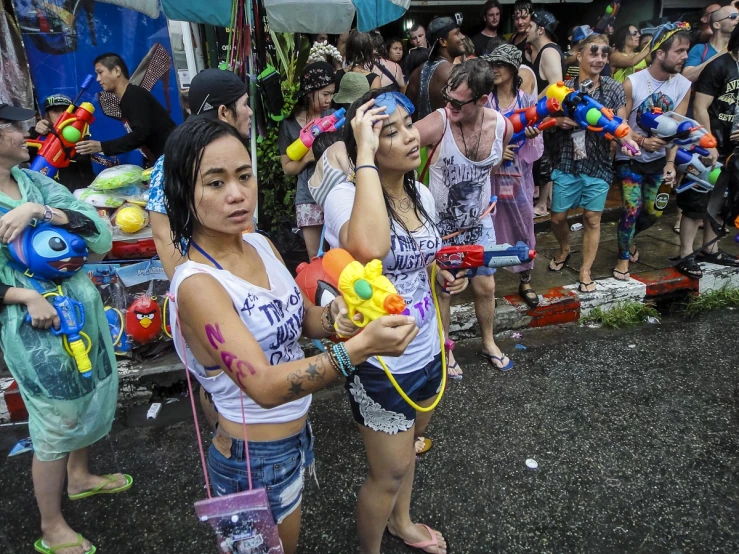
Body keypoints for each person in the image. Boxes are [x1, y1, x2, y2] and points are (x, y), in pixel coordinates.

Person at [163, 117, 418, 554]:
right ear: (185, 192)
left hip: (295, 437)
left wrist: (340, 320)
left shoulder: (259, 244)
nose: (237, 193)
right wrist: (360, 348)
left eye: (244, 176)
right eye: (215, 182)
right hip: (252, 459)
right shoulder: (196, 284)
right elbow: (262, 386)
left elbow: (302, 320)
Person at [324, 89, 465, 554]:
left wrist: (438, 274)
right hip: (380, 361)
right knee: (387, 474)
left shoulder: (418, 191)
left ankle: (401, 523)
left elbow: (415, 258)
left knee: (408, 456)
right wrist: (362, 154)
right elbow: (370, 250)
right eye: (390, 131)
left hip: (426, 347)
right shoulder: (345, 199)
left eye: (409, 124)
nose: (411, 137)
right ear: (364, 145)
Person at [0, 102, 129, 554]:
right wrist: (26, 295)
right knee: (56, 422)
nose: (26, 133)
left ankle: (80, 478)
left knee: (90, 394)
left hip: (82, 316)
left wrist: (40, 210)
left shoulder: (35, 182)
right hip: (36, 331)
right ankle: (51, 526)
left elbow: (98, 233)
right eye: (16, 127)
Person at [416, 59, 514, 374]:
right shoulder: (439, 122)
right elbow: (395, 147)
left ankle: (488, 342)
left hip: (479, 223)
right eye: (448, 98)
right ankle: (447, 350)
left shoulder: (502, 126)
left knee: (486, 286)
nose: (450, 105)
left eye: (458, 102)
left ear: (482, 99)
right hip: (440, 227)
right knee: (445, 289)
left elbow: (494, 166)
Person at [546, 33, 638, 292]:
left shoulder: (612, 87)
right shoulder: (563, 88)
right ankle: (565, 247)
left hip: (598, 163)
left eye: (604, 54)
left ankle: (585, 270)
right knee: (557, 218)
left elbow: (621, 124)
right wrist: (558, 121)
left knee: (592, 219)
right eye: (593, 52)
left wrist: (628, 142)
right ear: (580, 55)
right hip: (566, 161)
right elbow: (544, 117)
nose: (599, 58)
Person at [147, 68, 253, 280]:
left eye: (244, 176)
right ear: (224, 112)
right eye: (244, 104)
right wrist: (190, 289)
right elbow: (164, 235)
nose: (249, 112)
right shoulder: (173, 160)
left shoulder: (230, 152)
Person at [613, 27, 691, 281]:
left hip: (660, 161)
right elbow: (619, 123)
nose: (684, 56)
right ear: (660, 54)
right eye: (679, 51)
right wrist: (641, 140)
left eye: (686, 51)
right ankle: (623, 257)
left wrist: (670, 163)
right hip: (630, 156)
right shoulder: (633, 82)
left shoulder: (683, 85)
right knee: (631, 208)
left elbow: (678, 128)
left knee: (656, 210)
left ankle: (627, 235)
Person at [486, 45, 543, 309]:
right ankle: (489, 283)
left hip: (519, 177)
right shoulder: (485, 102)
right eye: (493, 64)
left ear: (513, 69)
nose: (495, 69)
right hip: (491, 177)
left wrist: (529, 140)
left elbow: (537, 150)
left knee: (523, 225)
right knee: (490, 228)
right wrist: (497, 151)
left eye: (501, 64)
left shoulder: (527, 103)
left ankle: (525, 279)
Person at [683, 24, 739, 277]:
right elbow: (700, 107)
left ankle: (711, 248)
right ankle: (685, 254)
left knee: (719, 200)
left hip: (732, 147)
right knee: (696, 201)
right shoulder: (719, 66)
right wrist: (709, 142)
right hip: (708, 143)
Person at [76, 52, 175, 165]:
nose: (98, 79)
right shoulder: (128, 98)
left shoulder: (133, 95)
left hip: (173, 159)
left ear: (117, 71)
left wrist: (102, 146)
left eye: (100, 72)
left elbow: (140, 135)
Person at [280, 62, 336, 260]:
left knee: (339, 253)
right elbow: (287, 167)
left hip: (335, 195)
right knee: (315, 258)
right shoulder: (289, 124)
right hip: (308, 197)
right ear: (310, 91)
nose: (329, 100)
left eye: (332, 94)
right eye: (325, 94)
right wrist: (307, 159)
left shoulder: (334, 119)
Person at [524, 10, 565, 218]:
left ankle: (542, 205)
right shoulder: (541, 51)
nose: (526, 29)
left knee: (545, 158)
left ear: (540, 29)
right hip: (542, 112)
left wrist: (533, 103)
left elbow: (556, 86)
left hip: (547, 113)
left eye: (530, 26)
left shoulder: (549, 51)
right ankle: (543, 198)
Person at [27, 94, 95, 192]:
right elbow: (20, 157)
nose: (63, 114)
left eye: (66, 110)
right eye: (55, 111)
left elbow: (86, 171)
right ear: (47, 116)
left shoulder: (81, 134)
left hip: (75, 196)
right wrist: (35, 134)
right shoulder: (37, 133)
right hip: (44, 195)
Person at [406, 15, 466, 121]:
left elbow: (408, 115)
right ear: (443, 41)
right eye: (457, 33)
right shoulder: (455, 73)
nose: (462, 37)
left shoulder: (416, 74)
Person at [683, 5, 739, 83]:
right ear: (717, 25)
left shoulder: (737, 51)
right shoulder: (700, 49)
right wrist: (722, 54)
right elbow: (686, 77)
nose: (738, 19)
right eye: (733, 16)